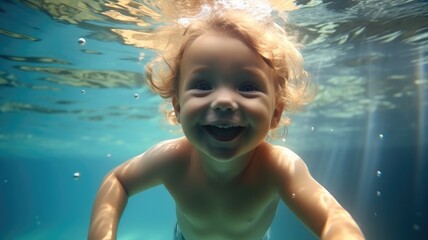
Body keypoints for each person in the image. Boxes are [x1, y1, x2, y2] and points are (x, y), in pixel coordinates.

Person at [88, 4, 364, 240]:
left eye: (247, 87)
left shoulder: (278, 168)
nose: (223, 101)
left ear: (275, 114)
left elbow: (333, 217)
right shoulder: (172, 159)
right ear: (178, 106)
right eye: (203, 84)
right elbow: (118, 180)